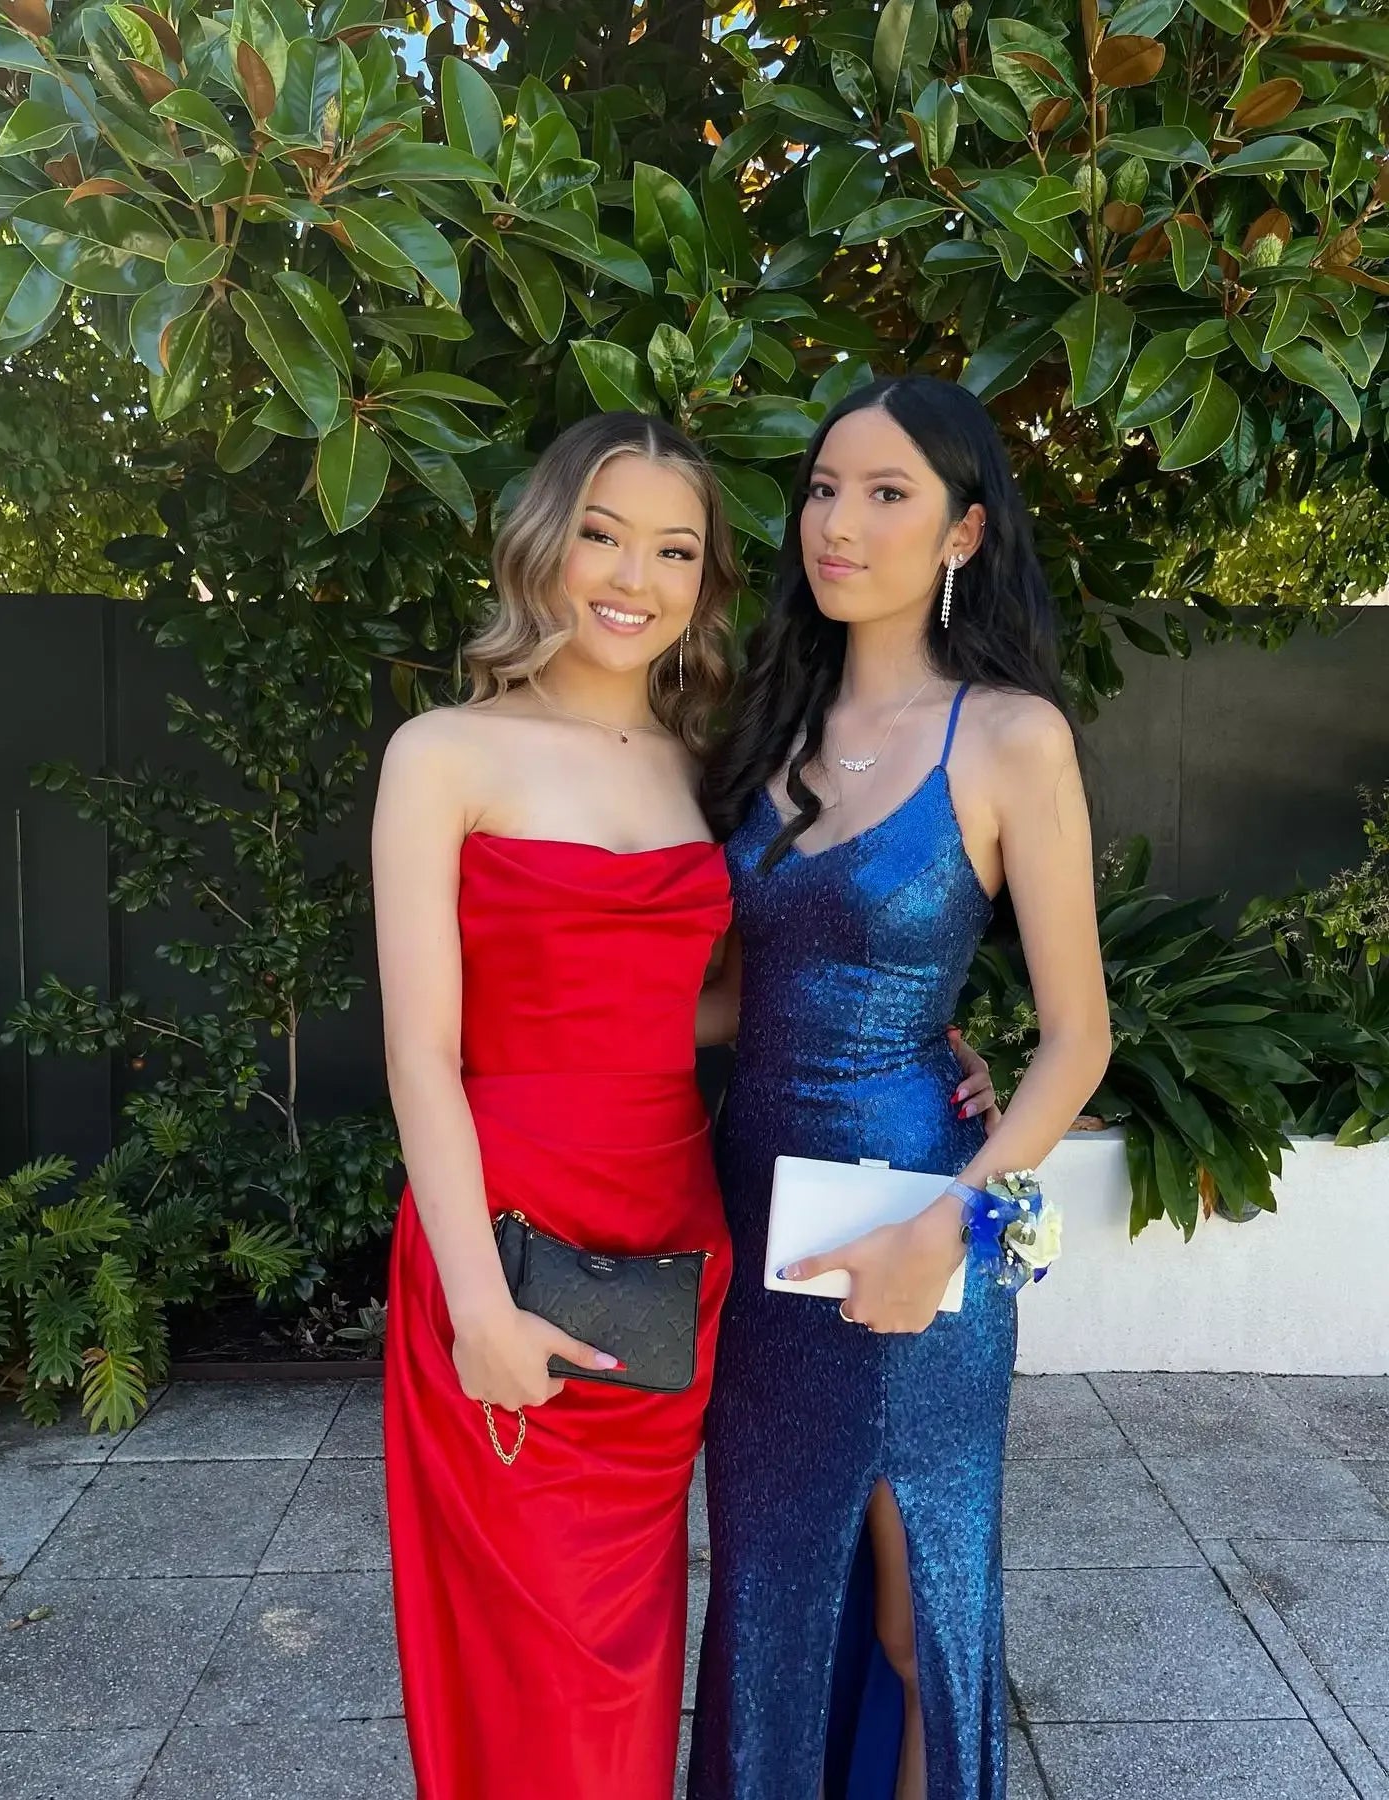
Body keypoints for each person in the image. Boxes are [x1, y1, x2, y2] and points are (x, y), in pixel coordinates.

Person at [689, 375, 1112, 1800]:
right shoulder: (761, 726)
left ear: (963, 532)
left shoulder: (1010, 737)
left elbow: (1081, 1039)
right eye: (823, 489)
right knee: (765, 1588)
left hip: (932, 1214)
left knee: (918, 1601)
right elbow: (736, 994)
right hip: (756, 1218)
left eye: (886, 494)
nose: (839, 523)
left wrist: (955, 1226)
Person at [372, 411, 741, 1800]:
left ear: (704, 580)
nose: (634, 577)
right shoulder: (444, 754)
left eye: (675, 549)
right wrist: (476, 1304)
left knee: (630, 1657)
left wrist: (915, 1034)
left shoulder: (706, 769)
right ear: (544, 543)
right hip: (506, 1241)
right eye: (603, 534)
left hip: (670, 1246)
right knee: (534, 1657)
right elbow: (422, 1054)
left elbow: (698, 1006)